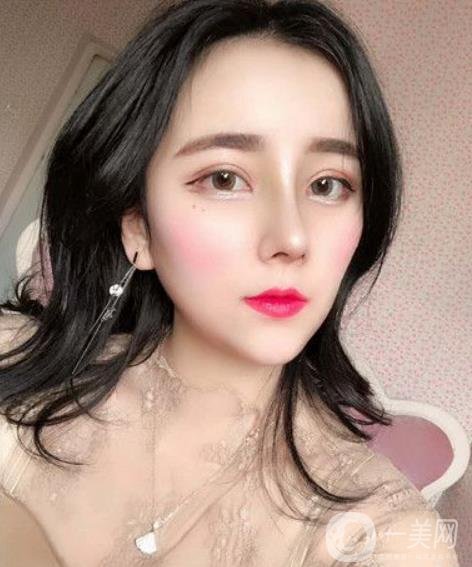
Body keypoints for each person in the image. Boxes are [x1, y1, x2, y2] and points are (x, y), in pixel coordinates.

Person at [0, 0, 460, 565]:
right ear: (138, 226)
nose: (292, 237)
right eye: (224, 178)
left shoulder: (385, 537)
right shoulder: (13, 366)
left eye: (327, 185)